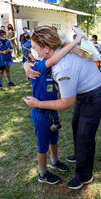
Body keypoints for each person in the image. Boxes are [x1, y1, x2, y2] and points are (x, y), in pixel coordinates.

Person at [23, 26, 101, 190]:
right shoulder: (59, 47)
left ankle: (84, 175)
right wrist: (26, 66)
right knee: (76, 124)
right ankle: (80, 155)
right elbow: (34, 63)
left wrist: (37, 104)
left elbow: (66, 103)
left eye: (35, 47)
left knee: (85, 135)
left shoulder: (63, 68)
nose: (32, 50)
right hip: (84, 93)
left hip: (95, 96)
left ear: (47, 48)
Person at [27, 48, 69, 185]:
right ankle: (42, 173)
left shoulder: (51, 69)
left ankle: (54, 162)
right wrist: (25, 65)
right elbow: (53, 58)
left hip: (52, 111)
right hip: (40, 114)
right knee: (43, 143)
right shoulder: (38, 67)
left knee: (53, 139)